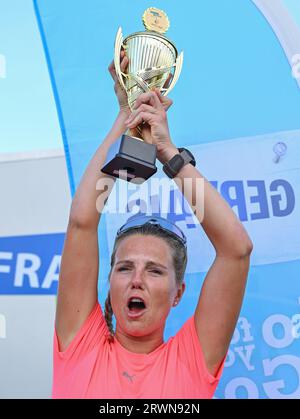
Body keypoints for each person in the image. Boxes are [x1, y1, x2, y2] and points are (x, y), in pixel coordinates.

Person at [52, 51, 253, 399]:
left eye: (156, 271)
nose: (137, 280)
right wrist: (126, 118)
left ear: (178, 293)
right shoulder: (80, 346)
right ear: (110, 281)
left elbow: (237, 250)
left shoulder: (192, 358)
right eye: (125, 267)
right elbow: (83, 221)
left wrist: (168, 153)